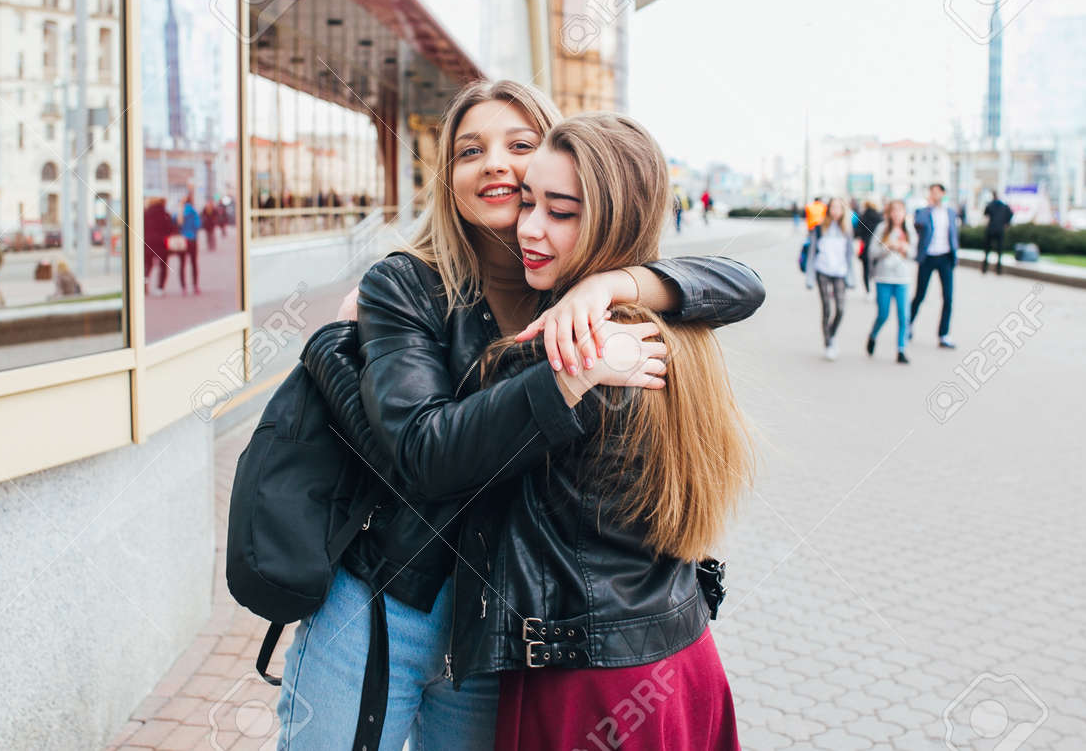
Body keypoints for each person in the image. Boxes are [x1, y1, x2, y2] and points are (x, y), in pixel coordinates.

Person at [277, 80, 766, 749]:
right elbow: (423, 453)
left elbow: (744, 284)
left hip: (506, 624)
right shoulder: (412, 283)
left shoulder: (574, 294)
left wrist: (613, 283)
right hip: (396, 599)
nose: (496, 164)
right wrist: (332, 352)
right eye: (469, 149)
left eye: (520, 145)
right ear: (448, 175)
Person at [449, 112, 752, 750]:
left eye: (560, 212)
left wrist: (344, 339)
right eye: (528, 203)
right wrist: (617, 280)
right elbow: (745, 284)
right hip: (680, 660)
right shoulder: (668, 327)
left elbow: (435, 451)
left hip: (593, 688)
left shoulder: (571, 351)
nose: (527, 228)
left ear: (612, 219)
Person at [805, 196, 856, 360]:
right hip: (823, 272)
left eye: (839, 208)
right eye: (833, 207)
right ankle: (828, 343)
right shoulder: (819, 228)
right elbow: (812, 253)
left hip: (840, 273)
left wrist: (851, 276)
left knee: (841, 309)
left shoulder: (847, 230)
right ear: (828, 209)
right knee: (826, 308)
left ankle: (831, 334)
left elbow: (849, 255)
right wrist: (810, 277)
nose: (835, 211)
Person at [866, 199, 917, 364]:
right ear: (889, 213)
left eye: (900, 211)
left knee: (904, 315)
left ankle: (901, 349)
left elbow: (915, 253)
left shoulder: (909, 230)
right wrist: (888, 246)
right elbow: (872, 252)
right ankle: (873, 335)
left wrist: (905, 248)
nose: (897, 214)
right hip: (884, 277)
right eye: (894, 211)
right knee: (883, 314)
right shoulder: (882, 229)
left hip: (902, 278)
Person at [909, 183, 959, 349]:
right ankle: (907, 325)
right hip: (928, 258)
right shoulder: (923, 212)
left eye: (937, 192)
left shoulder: (950, 213)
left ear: (943, 194)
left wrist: (954, 254)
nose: (935, 195)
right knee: (919, 295)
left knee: (948, 297)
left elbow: (953, 234)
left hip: (945, 258)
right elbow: (918, 224)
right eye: (932, 192)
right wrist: (928, 206)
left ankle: (944, 334)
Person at [142, 197, 174, 293]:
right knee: (163, 266)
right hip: (162, 243)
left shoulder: (145, 214)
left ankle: (145, 283)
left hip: (148, 243)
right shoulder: (166, 215)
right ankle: (160, 288)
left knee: (147, 265)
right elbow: (170, 229)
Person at [854, 198, 882, 297]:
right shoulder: (880, 216)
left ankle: (868, 291)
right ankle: (876, 289)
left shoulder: (863, 217)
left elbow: (857, 232)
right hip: (877, 246)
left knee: (865, 269)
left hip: (866, 245)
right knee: (876, 268)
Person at [982, 189, 1014, 275]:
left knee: (987, 250)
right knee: (999, 250)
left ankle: (984, 269)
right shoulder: (1004, 206)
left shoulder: (990, 205)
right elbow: (1011, 214)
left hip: (991, 229)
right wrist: (1006, 223)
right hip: (1000, 229)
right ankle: (998, 270)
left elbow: (986, 216)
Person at [175, 192, 201, 293]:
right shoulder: (194, 212)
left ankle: (183, 287)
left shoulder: (179, 212)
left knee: (182, 264)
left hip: (182, 241)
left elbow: (174, 223)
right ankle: (195, 286)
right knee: (193, 263)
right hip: (192, 240)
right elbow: (198, 225)